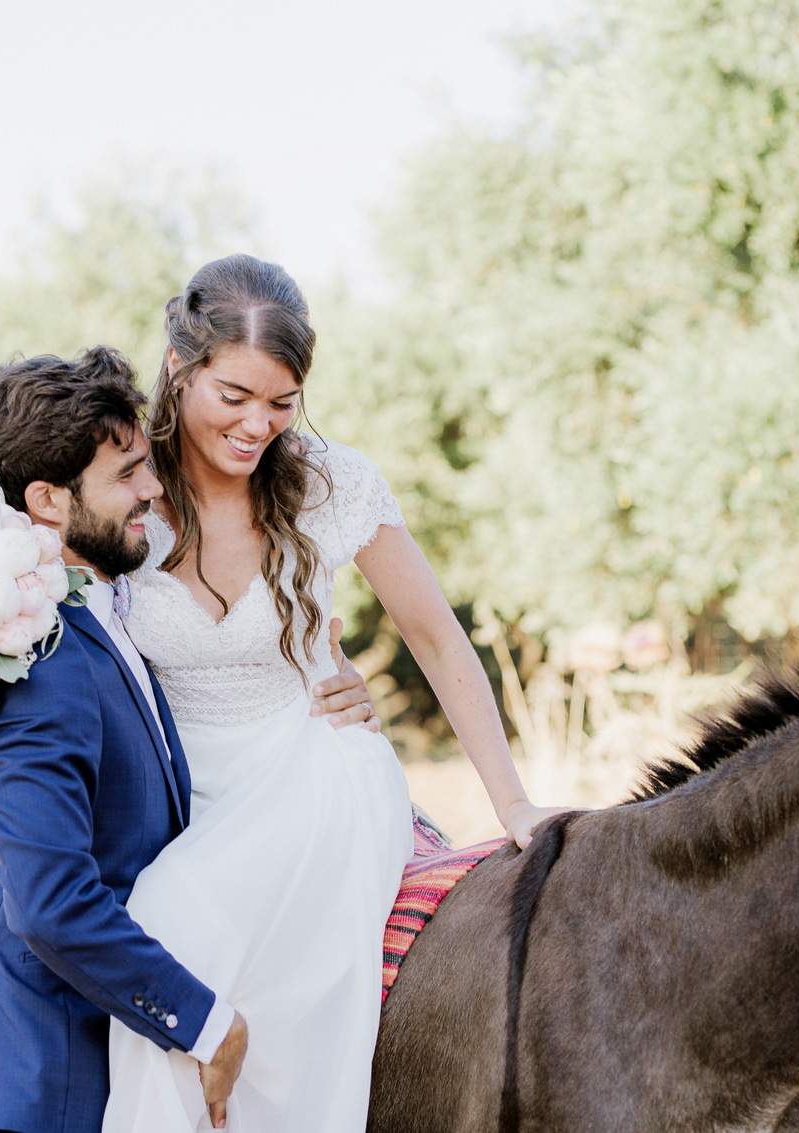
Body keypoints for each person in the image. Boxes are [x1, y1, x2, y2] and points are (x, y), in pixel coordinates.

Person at [104, 254, 564, 1132]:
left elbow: (437, 636)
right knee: (157, 967)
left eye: (282, 402)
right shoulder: (126, 485)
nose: (258, 425)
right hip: (185, 793)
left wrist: (513, 802)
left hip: (319, 769)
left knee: (163, 919)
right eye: (234, 395)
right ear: (178, 364)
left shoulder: (330, 480)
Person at [0, 346, 380, 1133]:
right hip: (51, 1087)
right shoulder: (39, 667)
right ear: (48, 500)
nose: (154, 488)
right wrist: (206, 1024)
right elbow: (49, 902)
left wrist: (328, 677)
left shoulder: (106, 613)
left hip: (114, 1069)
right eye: (127, 474)